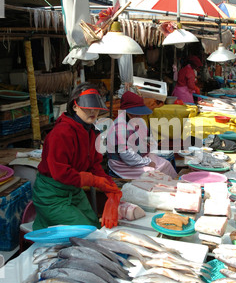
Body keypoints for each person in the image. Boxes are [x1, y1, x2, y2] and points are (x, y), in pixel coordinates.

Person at [32, 83, 121, 230]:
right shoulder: (61, 133)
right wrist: (94, 181)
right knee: (85, 230)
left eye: (96, 108)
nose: (93, 111)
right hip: (51, 194)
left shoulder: (91, 132)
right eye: (87, 107)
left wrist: (109, 185)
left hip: (74, 190)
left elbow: (94, 165)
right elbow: (60, 173)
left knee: (94, 225)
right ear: (74, 107)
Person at [106, 91, 177, 179]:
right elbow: (127, 155)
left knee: (166, 164)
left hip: (140, 156)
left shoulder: (140, 121)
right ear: (126, 112)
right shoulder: (119, 128)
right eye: (134, 113)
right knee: (153, 173)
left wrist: (148, 143)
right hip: (122, 164)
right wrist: (146, 162)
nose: (138, 115)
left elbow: (147, 137)